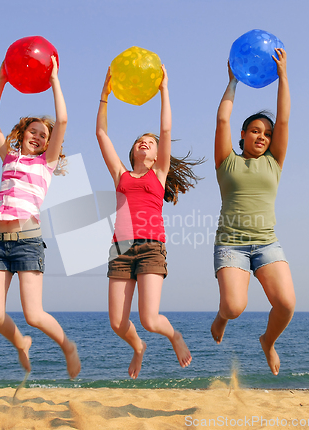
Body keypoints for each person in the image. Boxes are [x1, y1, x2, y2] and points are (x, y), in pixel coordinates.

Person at [96, 65, 202, 379]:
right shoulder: (122, 175)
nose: (146, 142)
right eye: (140, 140)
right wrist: (105, 96)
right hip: (120, 248)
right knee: (117, 323)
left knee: (150, 319)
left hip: (151, 247)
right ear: (132, 152)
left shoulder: (158, 175)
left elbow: (165, 130)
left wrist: (164, 90)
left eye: (150, 142)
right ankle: (138, 347)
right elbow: (101, 134)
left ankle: (175, 336)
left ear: (157, 155)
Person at [0, 57, 81, 379]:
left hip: (26, 242)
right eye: (33, 131)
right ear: (22, 133)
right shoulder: (8, 156)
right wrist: (2, 80)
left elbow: (63, 120)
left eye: (44, 135)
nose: (38, 137)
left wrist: (54, 80)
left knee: (34, 314)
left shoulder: (45, 164)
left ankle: (67, 346)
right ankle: (20, 343)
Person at [210, 48, 294, 376]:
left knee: (286, 304)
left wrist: (283, 76)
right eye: (255, 131)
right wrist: (232, 81)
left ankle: (268, 342)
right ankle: (221, 317)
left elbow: (284, 118)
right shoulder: (226, 161)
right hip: (231, 244)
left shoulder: (274, 162)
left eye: (267, 134)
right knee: (234, 307)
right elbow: (221, 120)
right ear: (243, 135)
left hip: (267, 244)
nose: (262, 136)